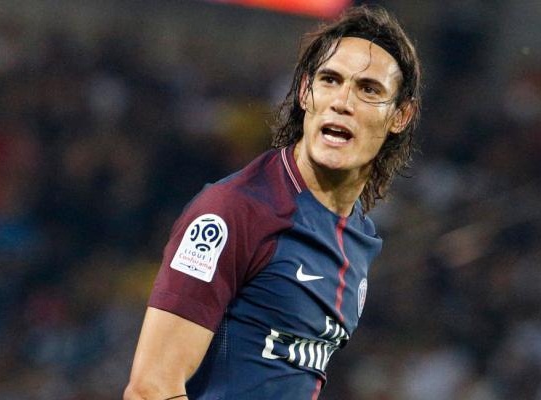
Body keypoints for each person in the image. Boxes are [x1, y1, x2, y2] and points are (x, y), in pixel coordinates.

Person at [124, 4, 421, 400]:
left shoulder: (359, 238)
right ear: (305, 92)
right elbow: (151, 388)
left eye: (369, 89)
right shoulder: (234, 212)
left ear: (400, 115)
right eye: (330, 80)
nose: (342, 101)